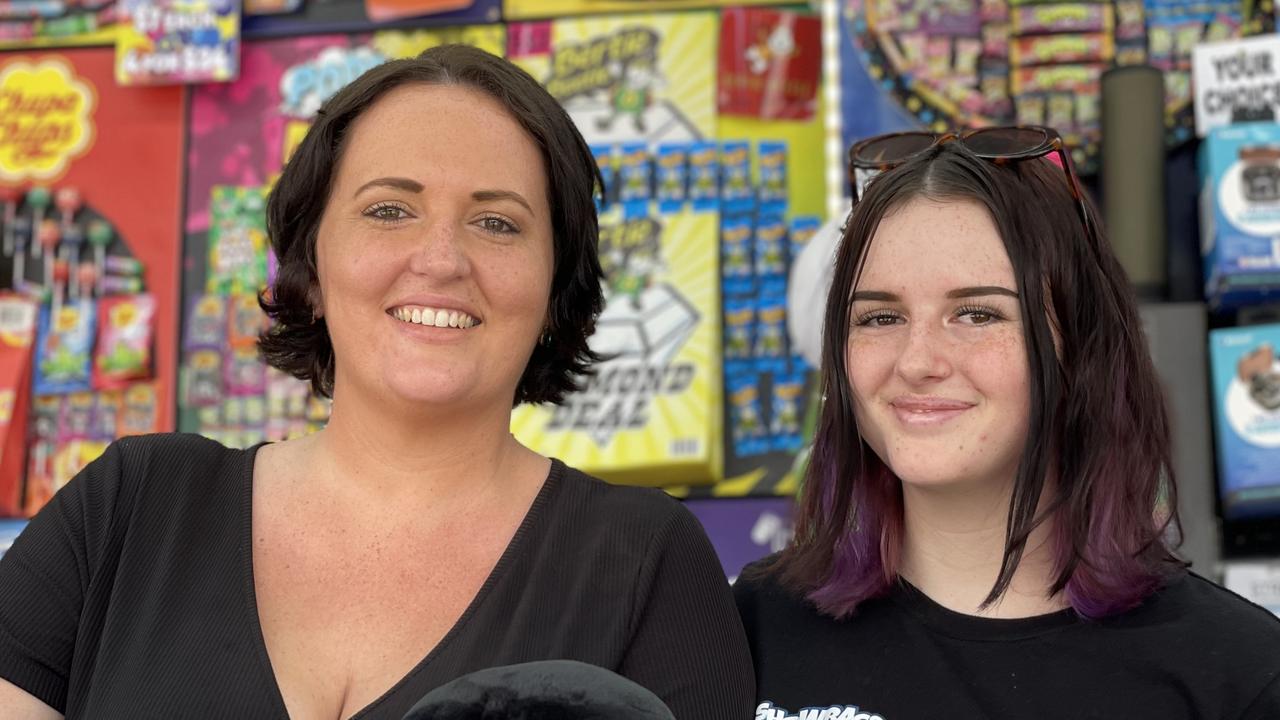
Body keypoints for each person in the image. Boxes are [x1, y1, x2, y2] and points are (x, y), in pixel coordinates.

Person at [0, 45, 753, 720]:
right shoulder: (130, 511)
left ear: (556, 291)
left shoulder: (646, 561)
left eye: (497, 223)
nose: (441, 259)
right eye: (389, 210)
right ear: (311, 264)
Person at [735, 126, 1280, 719]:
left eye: (976, 313)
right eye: (879, 317)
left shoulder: (1237, 676)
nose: (917, 361)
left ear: (1082, 346)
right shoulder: (752, 628)